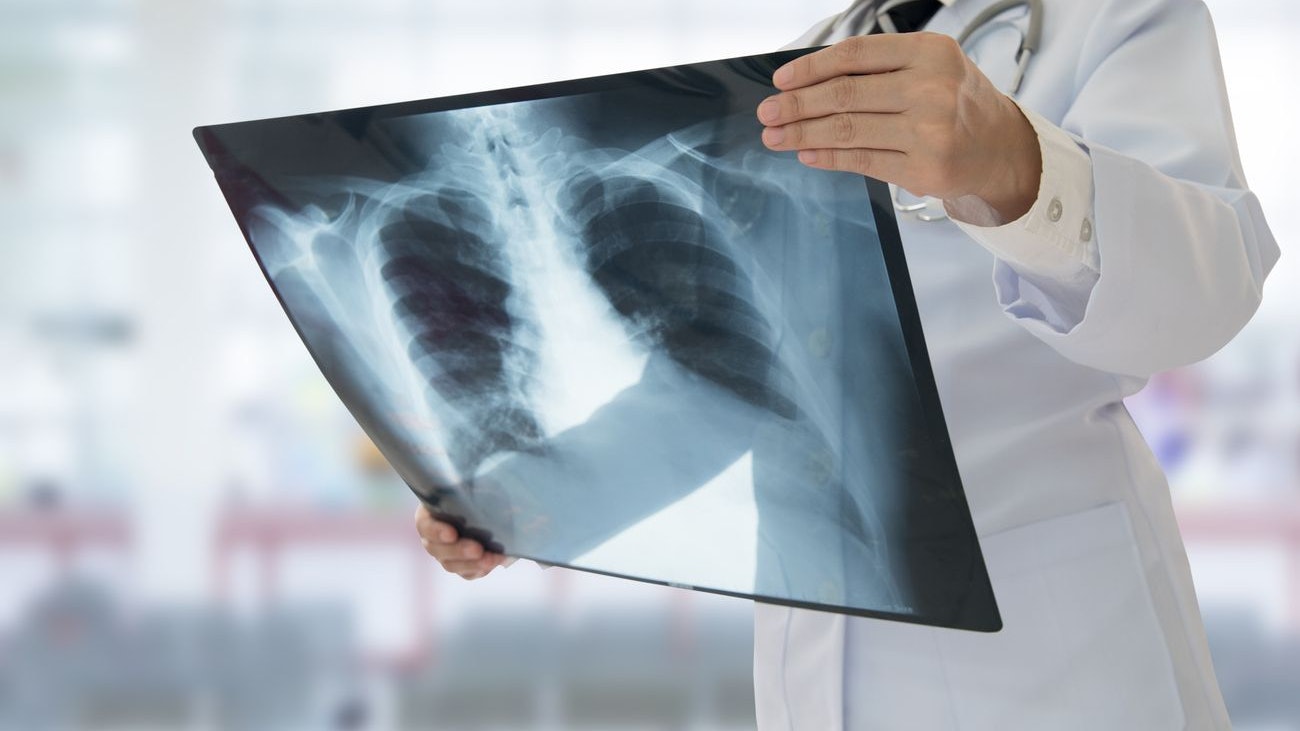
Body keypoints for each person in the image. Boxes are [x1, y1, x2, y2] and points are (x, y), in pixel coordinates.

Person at [416, 0, 1280, 727]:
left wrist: (1020, 164)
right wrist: (536, 496)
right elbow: (738, 383)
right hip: (815, 668)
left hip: (1058, 664)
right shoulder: (804, 61)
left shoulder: (1115, 17)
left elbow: (1207, 290)